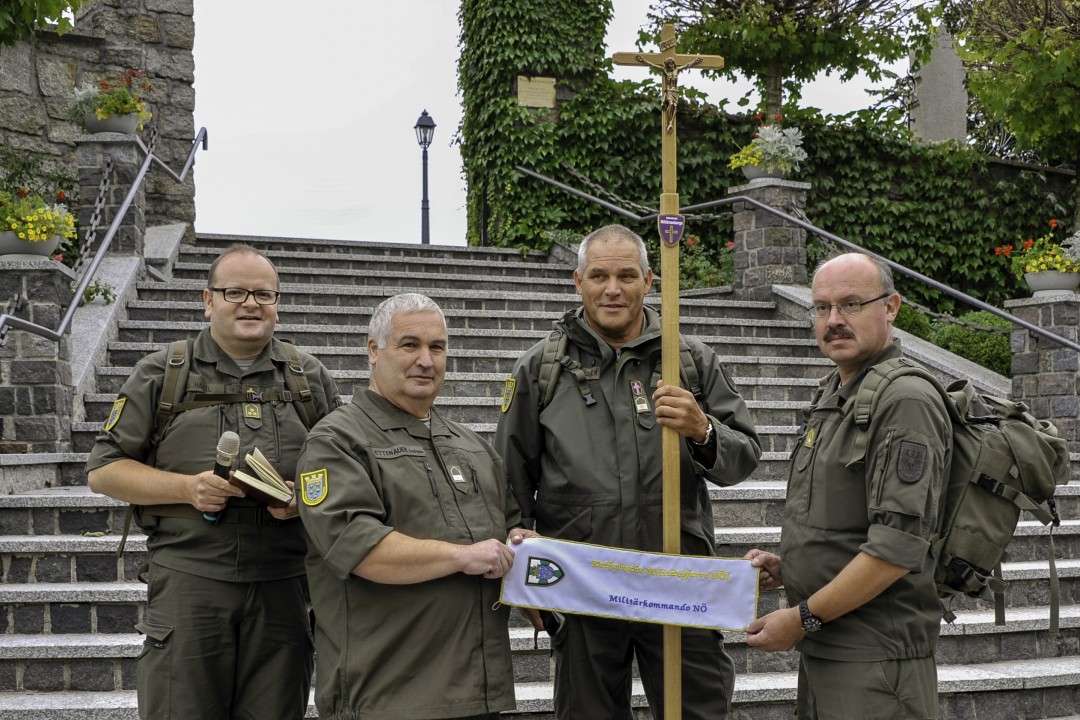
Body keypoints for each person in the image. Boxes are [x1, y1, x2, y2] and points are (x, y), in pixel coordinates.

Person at [494, 224, 761, 720]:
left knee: (698, 712)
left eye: (625, 275)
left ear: (649, 280)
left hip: (679, 584)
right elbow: (509, 481)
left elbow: (744, 456)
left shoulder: (690, 360)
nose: (612, 288)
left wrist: (703, 430)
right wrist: (526, 580)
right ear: (578, 281)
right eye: (598, 275)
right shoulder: (541, 369)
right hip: (582, 589)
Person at [86, 244, 341, 720]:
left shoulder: (309, 377)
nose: (251, 303)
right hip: (190, 583)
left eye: (264, 294)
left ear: (278, 303)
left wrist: (304, 501)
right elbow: (104, 470)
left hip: (283, 586)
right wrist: (186, 489)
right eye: (235, 292)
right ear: (207, 301)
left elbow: (345, 471)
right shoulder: (163, 373)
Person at [296, 292, 534, 720]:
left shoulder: (474, 448)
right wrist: (464, 556)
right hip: (388, 697)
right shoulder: (337, 441)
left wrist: (524, 546)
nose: (426, 360)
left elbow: (512, 536)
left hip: (480, 692)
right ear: (374, 350)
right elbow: (362, 549)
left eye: (437, 347)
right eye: (410, 345)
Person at [744, 252, 950, 719]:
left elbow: (896, 547)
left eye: (852, 304)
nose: (833, 320)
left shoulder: (906, 400)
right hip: (828, 650)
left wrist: (800, 618)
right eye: (822, 308)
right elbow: (844, 524)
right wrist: (791, 566)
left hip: (875, 665)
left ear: (892, 306)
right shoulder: (838, 392)